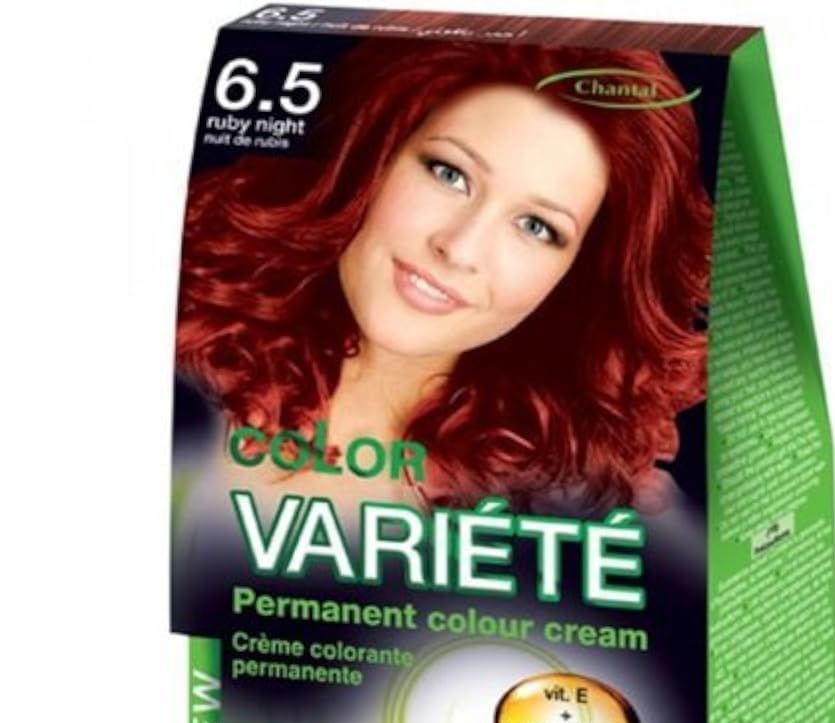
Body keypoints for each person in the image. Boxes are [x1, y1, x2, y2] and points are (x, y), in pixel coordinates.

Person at [176, 40, 711, 521]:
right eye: (449, 173)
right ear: (375, 156)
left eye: (535, 227)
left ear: (578, 275)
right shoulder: (179, 359)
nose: (459, 248)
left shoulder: (589, 509)